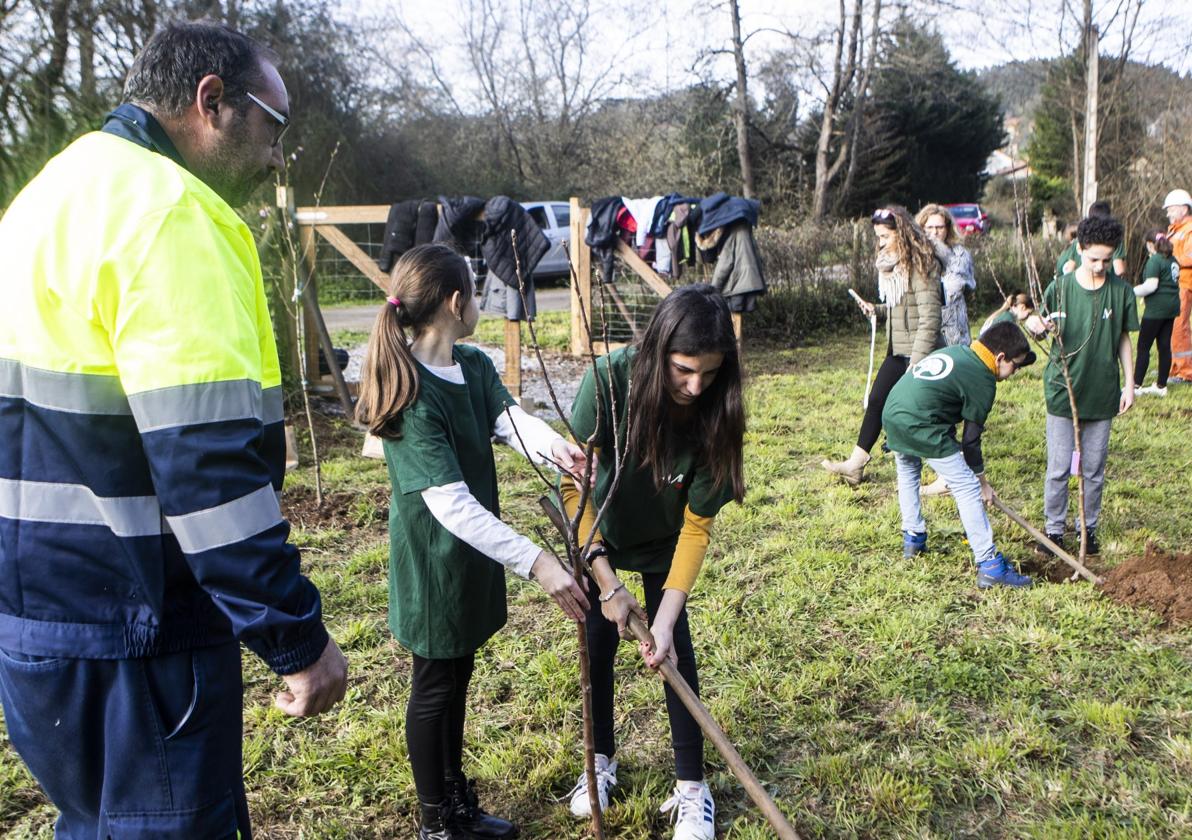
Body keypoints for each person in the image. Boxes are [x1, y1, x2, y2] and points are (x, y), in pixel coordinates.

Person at [0, 20, 347, 838]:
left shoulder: (47, 195)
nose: (277, 155)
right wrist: (295, 636)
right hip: (141, 625)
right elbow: (208, 469)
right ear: (212, 101)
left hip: (37, 623)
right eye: (276, 124)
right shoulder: (170, 215)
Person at [354, 243, 593, 840]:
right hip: (436, 568)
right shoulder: (410, 394)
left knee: (457, 675)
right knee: (435, 685)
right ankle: (436, 820)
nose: (480, 302)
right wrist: (538, 562)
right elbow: (452, 507)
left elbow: (508, 420)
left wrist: (556, 450)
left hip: (469, 560)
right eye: (477, 294)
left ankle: (456, 801)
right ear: (457, 302)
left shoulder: (472, 365)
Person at [561, 284, 745, 840]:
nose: (695, 386)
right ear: (659, 350)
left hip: (667, 536)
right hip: (604, 533)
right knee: (597, 640)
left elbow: (697, 524)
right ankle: (599, 762)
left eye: (709, 374)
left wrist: (663, 618)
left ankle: (692, 787)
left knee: (674, 651)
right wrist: (606, 579)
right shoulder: (608, 384)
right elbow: (574, 488)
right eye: (685, 370)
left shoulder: (718, 407)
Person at [882, 321, 1037, 587]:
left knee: (908, 470)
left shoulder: (958, 352)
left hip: (894, 412)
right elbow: (971, 441)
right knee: (966, 486)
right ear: (1000, 357)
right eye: (1016, 365)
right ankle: (990, 565)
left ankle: (913, 539)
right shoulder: (983, 378)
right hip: (920, 421)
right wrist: (983, 484)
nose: (1015, 372)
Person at [1029, 215, 1138, 557]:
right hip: (1064, 391)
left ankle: (1088, 528)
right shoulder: (1059, 289)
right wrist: (1036, 325)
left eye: (1107, 259)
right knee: (1060, 467)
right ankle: (1054, 530)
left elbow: (1123, 339)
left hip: (1102, 393)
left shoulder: (1120, 292)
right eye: (1094, 259)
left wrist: (1130, 385)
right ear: (1079, 250)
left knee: (1093, 469)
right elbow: (1041, 326)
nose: (1101, 266)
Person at [822, 206, 943, 485]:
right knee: (877, 401)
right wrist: (877, 310)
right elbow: (901, 308)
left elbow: (929, 319)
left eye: (885, 236)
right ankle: (855, 465)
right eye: (878, 237)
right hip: (897, 350)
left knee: (920, 414)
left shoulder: (922, 267)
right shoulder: (894, 268)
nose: (881, 243)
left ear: (901, 234)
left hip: (919, 355)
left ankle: (949, 472)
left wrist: (917, 360)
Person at [917, 204, 976, 347]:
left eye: (939, 227)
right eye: (929, 227)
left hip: (953, 331)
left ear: (947, 228)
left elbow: (951, 289)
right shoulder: (916, 256)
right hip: (924, 330)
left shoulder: (959, 254)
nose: (934, 232)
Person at [1132, 229, 1181, 397]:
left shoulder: (1155, 261)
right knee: (1164, 346)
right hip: (1171, 308)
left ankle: (1136, 385)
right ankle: (1161, 386)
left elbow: (1151, 286)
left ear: (1150, 245)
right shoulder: (1172, 260)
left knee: (1143, 346)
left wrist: (1131, 292)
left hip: (1156, 310)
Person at [1162, 188, 1192, 383]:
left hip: (1184, 284)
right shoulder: (1176, 229)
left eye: (1171, 209)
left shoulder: (1189, 230)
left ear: (1183, 208)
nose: (1168, 213)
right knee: (1173, 327)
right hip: (1174, 284)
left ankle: (1185, 372)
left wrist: (1170, 259)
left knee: (1180, 327)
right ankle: (1173, 368)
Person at [1055, 201, 1128, 280]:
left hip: (1082, 285)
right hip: (1106, 285)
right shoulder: (1113, 240)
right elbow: (1119, 270)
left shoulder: (1080, 240)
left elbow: (1069, 269)